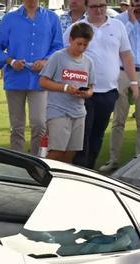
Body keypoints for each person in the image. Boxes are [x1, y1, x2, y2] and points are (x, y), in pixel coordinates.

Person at [70, 0, 139, 170]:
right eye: (94, 6)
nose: (99, 10)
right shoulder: (77, 27)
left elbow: (126, 55)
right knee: (82, 135)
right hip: (83, 91)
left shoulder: (118, 26)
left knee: (98, 135)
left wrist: (134, 82)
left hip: (108, 90)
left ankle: (90, 169)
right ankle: (80, 171)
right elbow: (66, 54)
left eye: (102, 5)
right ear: (86, 7)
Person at [99, 0, 140, 172]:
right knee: (118, 120)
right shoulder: (119, 20)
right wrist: (131, 22)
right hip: (122, 73)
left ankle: (139, 161)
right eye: (135, 1)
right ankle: (113, 160)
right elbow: (116, 45)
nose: (138, 4)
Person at [0, 0, 63, 155]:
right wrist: (11, 61)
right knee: (17, 127)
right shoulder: (9, 18)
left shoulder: (52, 18)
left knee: (39, 124)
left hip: (40, 79)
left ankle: (36, 161)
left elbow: (58, 46)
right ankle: (17, 163)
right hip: (15, 79)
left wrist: (46, 61)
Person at [39, 21, 95, 162]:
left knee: (71, 152)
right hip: (58, 110)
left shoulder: (88, 62)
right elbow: (43, 81)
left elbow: (91, 87)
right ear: (70, 40)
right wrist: (65, 88)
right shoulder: (58, 57)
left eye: (85, 45)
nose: (82, 48)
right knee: (57, 151)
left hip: (79, 112)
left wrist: (87, 93)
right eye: (79, 44)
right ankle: (41, 174)